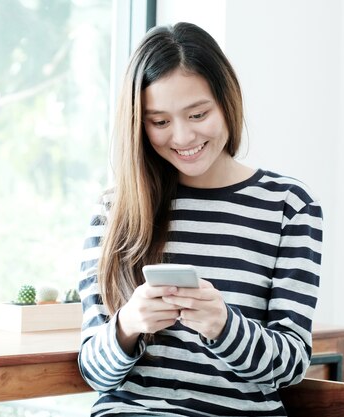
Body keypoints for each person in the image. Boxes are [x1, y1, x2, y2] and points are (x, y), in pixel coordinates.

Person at [77, 22, 323, 417]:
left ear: (227, 101)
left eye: (198, 114)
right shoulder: (115, 211)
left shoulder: (288, 205)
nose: (182, 137)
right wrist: (127, 325)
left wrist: (224, 326)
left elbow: (291, 365)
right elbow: (94, 372)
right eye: (159, 122)